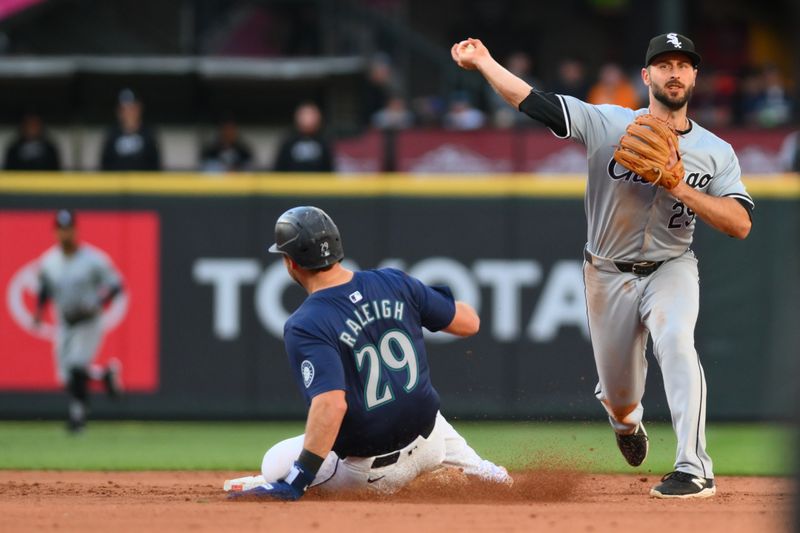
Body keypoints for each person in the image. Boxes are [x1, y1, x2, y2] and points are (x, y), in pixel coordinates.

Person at [452, 33, 752, 499]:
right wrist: (486, 62)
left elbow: (740, 223)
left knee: (676, 342)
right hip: (607, 273)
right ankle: (623, 420)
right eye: (664, 64)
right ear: (646, 76)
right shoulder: (608, 123)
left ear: (695, 76)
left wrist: (681, 188)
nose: (675, 72)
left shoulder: (716, 152)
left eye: (684, 65)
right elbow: (534, 101)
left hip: (673, 266)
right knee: (620, 396)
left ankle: (694, 467)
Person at [224, 206, 511, 499]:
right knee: (485, 473)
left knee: (274, 462)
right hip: (433, 440)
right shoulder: (394, 282)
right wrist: (426, 297)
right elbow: (469, 323)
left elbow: (332, 405)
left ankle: (299, 480)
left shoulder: (306, 322)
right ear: (337, 248)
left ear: (290, 263)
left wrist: (296, 482)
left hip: (372, 473)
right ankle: (478, 471)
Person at [34, 210, 124, 433]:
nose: (65, 233)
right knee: (66, 377)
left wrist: (100, 301)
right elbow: (44, 288)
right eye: (61, 228)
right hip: (65, 322)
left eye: (69, 228)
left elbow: (116, 284)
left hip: (88, 320)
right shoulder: (48, 261)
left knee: (75, 367)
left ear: (76, 230)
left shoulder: (93, 259)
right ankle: (104, 375)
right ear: (55, 231)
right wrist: (38, 311)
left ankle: (78, 419)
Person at [100, 89, 161, 171]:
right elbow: (105, 165)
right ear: (119, 112)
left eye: (132, 108)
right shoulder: (112, 134)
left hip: (143, 182)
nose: (128, 113)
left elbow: (155, 165)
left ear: (139, 109)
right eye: (124, 109)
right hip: (117, 182)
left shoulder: (148, 134)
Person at [273, 103, 334, 172]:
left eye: (311, 115)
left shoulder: (324, 142)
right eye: (304, 115)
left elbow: (330, 169)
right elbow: (279, 168)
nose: (308, 119)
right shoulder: (289, 142)